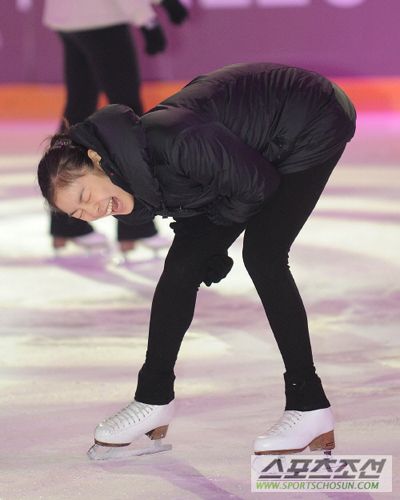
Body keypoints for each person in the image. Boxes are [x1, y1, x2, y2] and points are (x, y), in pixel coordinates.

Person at [37, 62, 356, 456]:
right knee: (181, 268)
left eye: (85, 197)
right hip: (257, 145)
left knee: (264, 255)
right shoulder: (135, 175)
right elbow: (200, 201)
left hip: (309, 115)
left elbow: (257, 185)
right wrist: (205, 248)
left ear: (96, 160)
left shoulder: (172, 141)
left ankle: (309, 404)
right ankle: (152, 398)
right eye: (78, 214)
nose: (92, 212)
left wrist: (215, 246)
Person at [42, 0, 188, 252]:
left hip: (68, 15)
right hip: (101, 15)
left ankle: (66, 223)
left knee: (78, 110)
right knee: (127, 119)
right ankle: (137, 225)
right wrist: (146, 19)